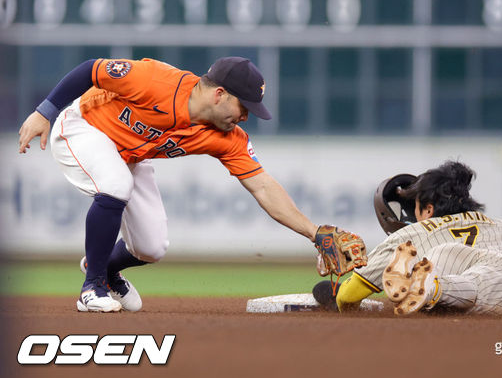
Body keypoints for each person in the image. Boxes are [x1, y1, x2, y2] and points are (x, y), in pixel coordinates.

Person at [18, 56, 348, 313]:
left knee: (151, 247)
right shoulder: (154, 80)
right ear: (219, 94)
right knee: (116, 184)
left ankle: (102, 266)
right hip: (82, 127)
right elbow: (92, 70)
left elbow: (263, 187)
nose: (246, 117)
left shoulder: (227, 137)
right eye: (243, 107)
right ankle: (92, 289)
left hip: (129, 155)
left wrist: (314, 232)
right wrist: (44, 112)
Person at [334, 161, 502, 315]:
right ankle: (433, 287)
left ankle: (433, 287)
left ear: (428, 210)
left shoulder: (413, 234)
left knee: (439, 259)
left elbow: (348, 296)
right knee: (467, 280)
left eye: (415, 207)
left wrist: (333, 297)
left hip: (460, 279)